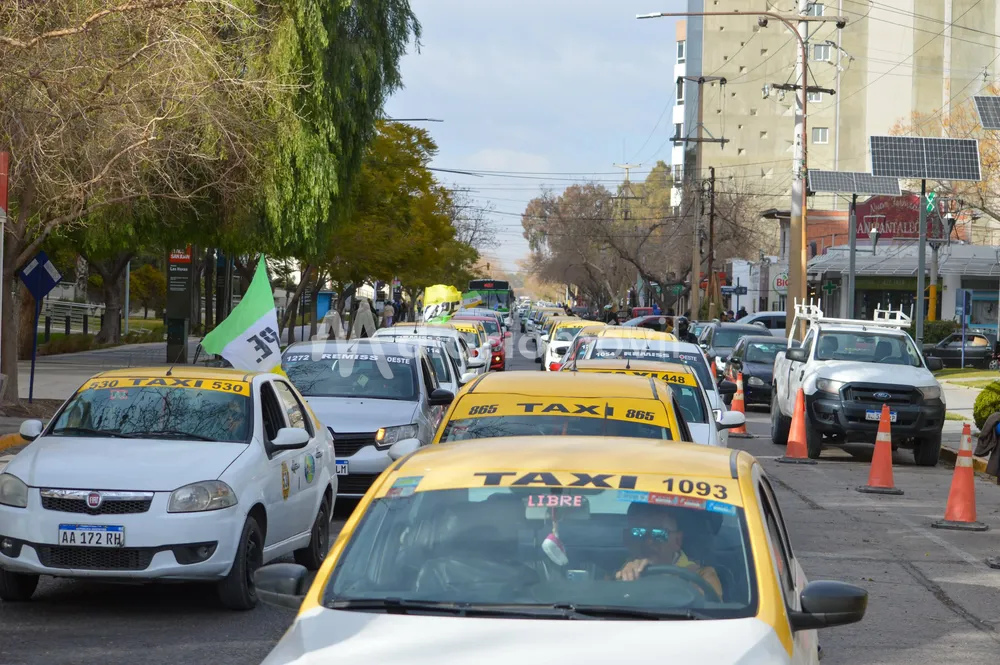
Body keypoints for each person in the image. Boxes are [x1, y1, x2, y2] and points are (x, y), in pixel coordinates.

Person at [616, 502, 723, 598]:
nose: (648, 542)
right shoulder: (618, 570)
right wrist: (622, 580)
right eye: (638, 533)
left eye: (659, 534)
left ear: (677, 540)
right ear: (627, 538)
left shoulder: (703, 578)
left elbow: (709, 615)